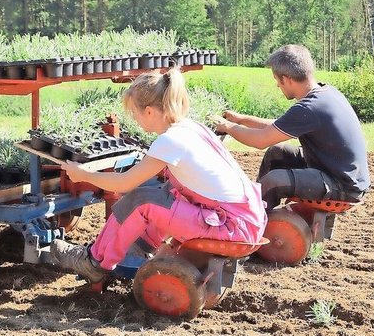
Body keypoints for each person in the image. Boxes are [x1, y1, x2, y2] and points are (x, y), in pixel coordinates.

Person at [50, 67, 267, 283]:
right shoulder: (191, 127)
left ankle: (94, 262)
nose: (134, 119)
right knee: (162, 192)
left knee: (139, 200)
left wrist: (83, 174)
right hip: (247, 218)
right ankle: (139, 248)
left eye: (134, 112)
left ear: (150, 111)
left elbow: (124, 184)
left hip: (231, 226)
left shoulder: (170, 141)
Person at [210, 44, 370, 211]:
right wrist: (241, 119)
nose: (277, 86)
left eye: (276, 80)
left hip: (343, 185)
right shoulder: (325, 93)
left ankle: (249, 223)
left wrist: (228, 127)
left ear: (286, 79)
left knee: (273, 181)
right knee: (276, 152)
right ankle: (265, 216)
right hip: (339, 171)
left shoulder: (309, 108)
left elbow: (260, 140)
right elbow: (278, 127)